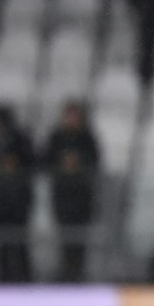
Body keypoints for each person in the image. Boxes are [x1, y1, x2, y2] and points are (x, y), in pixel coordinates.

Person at [43, 99, 102, 282]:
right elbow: (44, 160)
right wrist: (61, 164)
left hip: (82, 197)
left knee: (80, 239)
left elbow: (96, 161)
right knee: (63, 237)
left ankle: (79, 273)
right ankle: (66, 272)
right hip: (61, 197)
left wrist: (79, 164)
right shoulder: (56, 137)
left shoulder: (87, 138)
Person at [0, 105, 35, 283]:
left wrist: (16, 164)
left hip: (19, 200)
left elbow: (32, 160)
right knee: (1, 242)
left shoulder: (20, 139)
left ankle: (24, 279)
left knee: (20, 242)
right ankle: (2, 279)